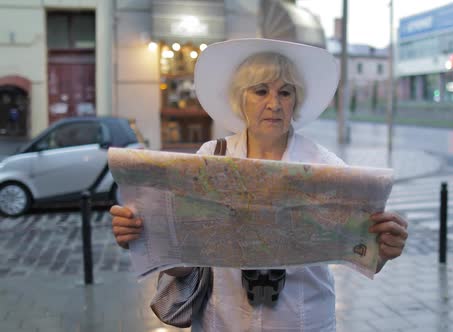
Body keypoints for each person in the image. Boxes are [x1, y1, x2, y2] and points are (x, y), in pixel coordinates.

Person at [110, 38, 408, 331]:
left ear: (296, 100)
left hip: (304, 323)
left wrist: (383, 250)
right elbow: (183, 263)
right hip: (223, 322)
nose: (274, 104)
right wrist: (142, 237)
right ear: (242, 99)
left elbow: (364, 255)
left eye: (285, 93)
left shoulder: (326, 167)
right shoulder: (209, 159)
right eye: (261, 91)